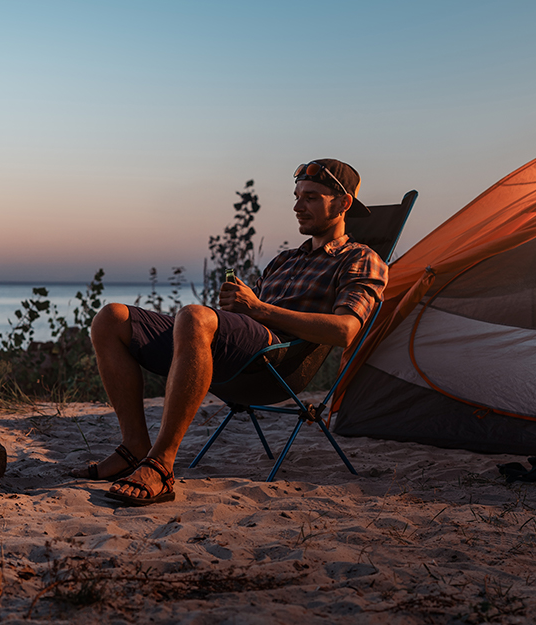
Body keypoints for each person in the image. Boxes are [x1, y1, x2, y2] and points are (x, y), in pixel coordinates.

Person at [74, 159, 387, 506]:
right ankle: (134, 447)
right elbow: (244, 317)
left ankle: (161, 466)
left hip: (278, 358)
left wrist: (257, 309)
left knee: (194, 316)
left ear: (343, 204)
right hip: (242, 349)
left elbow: (345, 331)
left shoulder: (360, 257)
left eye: (311, 197)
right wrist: (236, 307)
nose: (298, 207)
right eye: (297, 197)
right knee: (111, 317)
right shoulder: (285, 259)